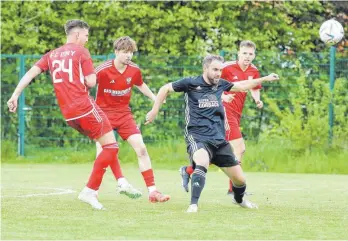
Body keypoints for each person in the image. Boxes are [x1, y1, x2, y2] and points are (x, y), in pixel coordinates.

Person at [7, 19, 125, 210]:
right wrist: (88, 80)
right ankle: (90, 190)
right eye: (86, 35)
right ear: (77, 34)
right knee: (111, 147)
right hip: (84, 107)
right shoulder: (81, 52)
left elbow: (30, 74)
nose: (87, 39)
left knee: (106, 145)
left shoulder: (52, 55)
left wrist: (15, 95)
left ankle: (119, 182)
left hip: (69, 114)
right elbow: (92, 81)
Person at [145, 55, 279, 212]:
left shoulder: (221, 85)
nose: (218, 73)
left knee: (240, 180)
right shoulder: (191, 83)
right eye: (215, 70)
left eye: (221, 70)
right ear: (205, 69)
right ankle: (193, 205)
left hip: (219, 139)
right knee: (201, 161)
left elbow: (242, 85)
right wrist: (154, 110)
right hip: (197, 136)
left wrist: (265, 79)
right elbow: (165, 88)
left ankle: (239, 199)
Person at [179, 40, 263, 194]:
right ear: (238, 53)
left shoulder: (254, 71)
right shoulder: (227, 67)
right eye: (244, 53)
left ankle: (189, 170)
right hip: (224, 112)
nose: (247, 56)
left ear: (254, 55)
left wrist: (257, 99)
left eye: (250, 54)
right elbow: (212, 83)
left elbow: (254, 87)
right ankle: (234, 189)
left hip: (237, 114)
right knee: (239, 148)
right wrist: (223, 98)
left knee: (218, 153)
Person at [94, 36, 170, 203]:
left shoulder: (134, 70)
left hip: (123, 115)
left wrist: (154, 97)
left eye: (131, 52)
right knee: (102, 154)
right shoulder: (102, 70)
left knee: (141, 149)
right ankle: (93, 191)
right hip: (103, 115)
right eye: (125, 52)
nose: (129, 56)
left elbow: (140, 84)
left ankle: (153, 191)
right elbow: (87, 83)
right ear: (116, 52)